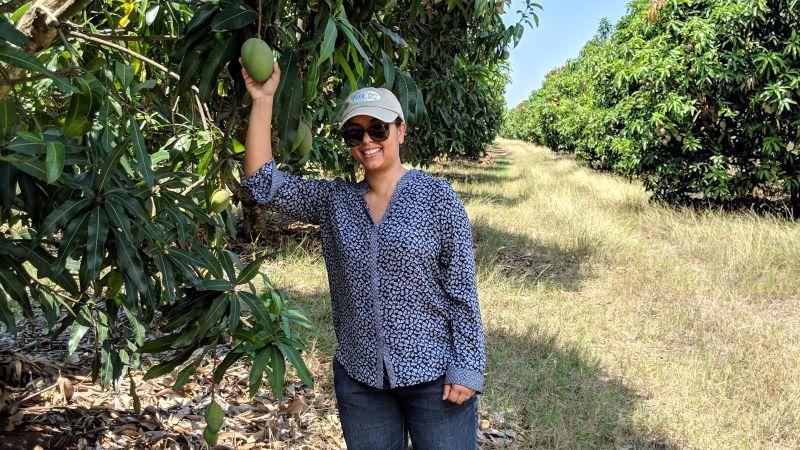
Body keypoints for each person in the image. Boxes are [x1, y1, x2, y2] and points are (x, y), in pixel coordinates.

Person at [239, 59, 486, 450]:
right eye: (356, 133)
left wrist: (468, 366)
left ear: (400, 130)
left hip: (435, 379)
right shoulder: (335, 201)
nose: (368, 141)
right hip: (362, 380)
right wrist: (263, 98)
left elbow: (461, 290)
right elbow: (261, 183)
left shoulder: (438, 198)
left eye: (378, 129)